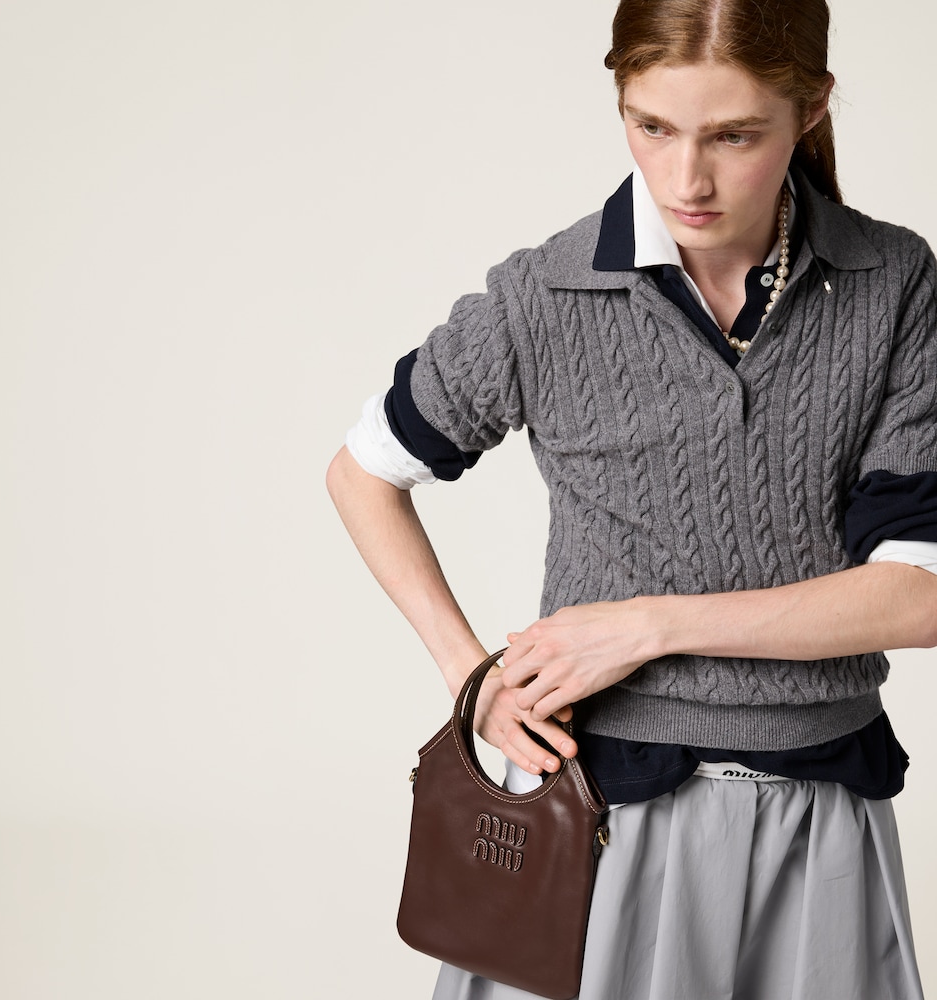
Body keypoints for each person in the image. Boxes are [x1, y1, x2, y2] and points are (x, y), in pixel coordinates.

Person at [326, 0, 937, 996]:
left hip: (822, 811)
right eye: (651, 126)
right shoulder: (544, 296)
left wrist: (648, 626)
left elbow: (919, 597)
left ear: (811, 109)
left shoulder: (892, 281)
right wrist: (470, 677)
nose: (685, 179)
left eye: (733, 136)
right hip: (599, 812)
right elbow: (363, 472)